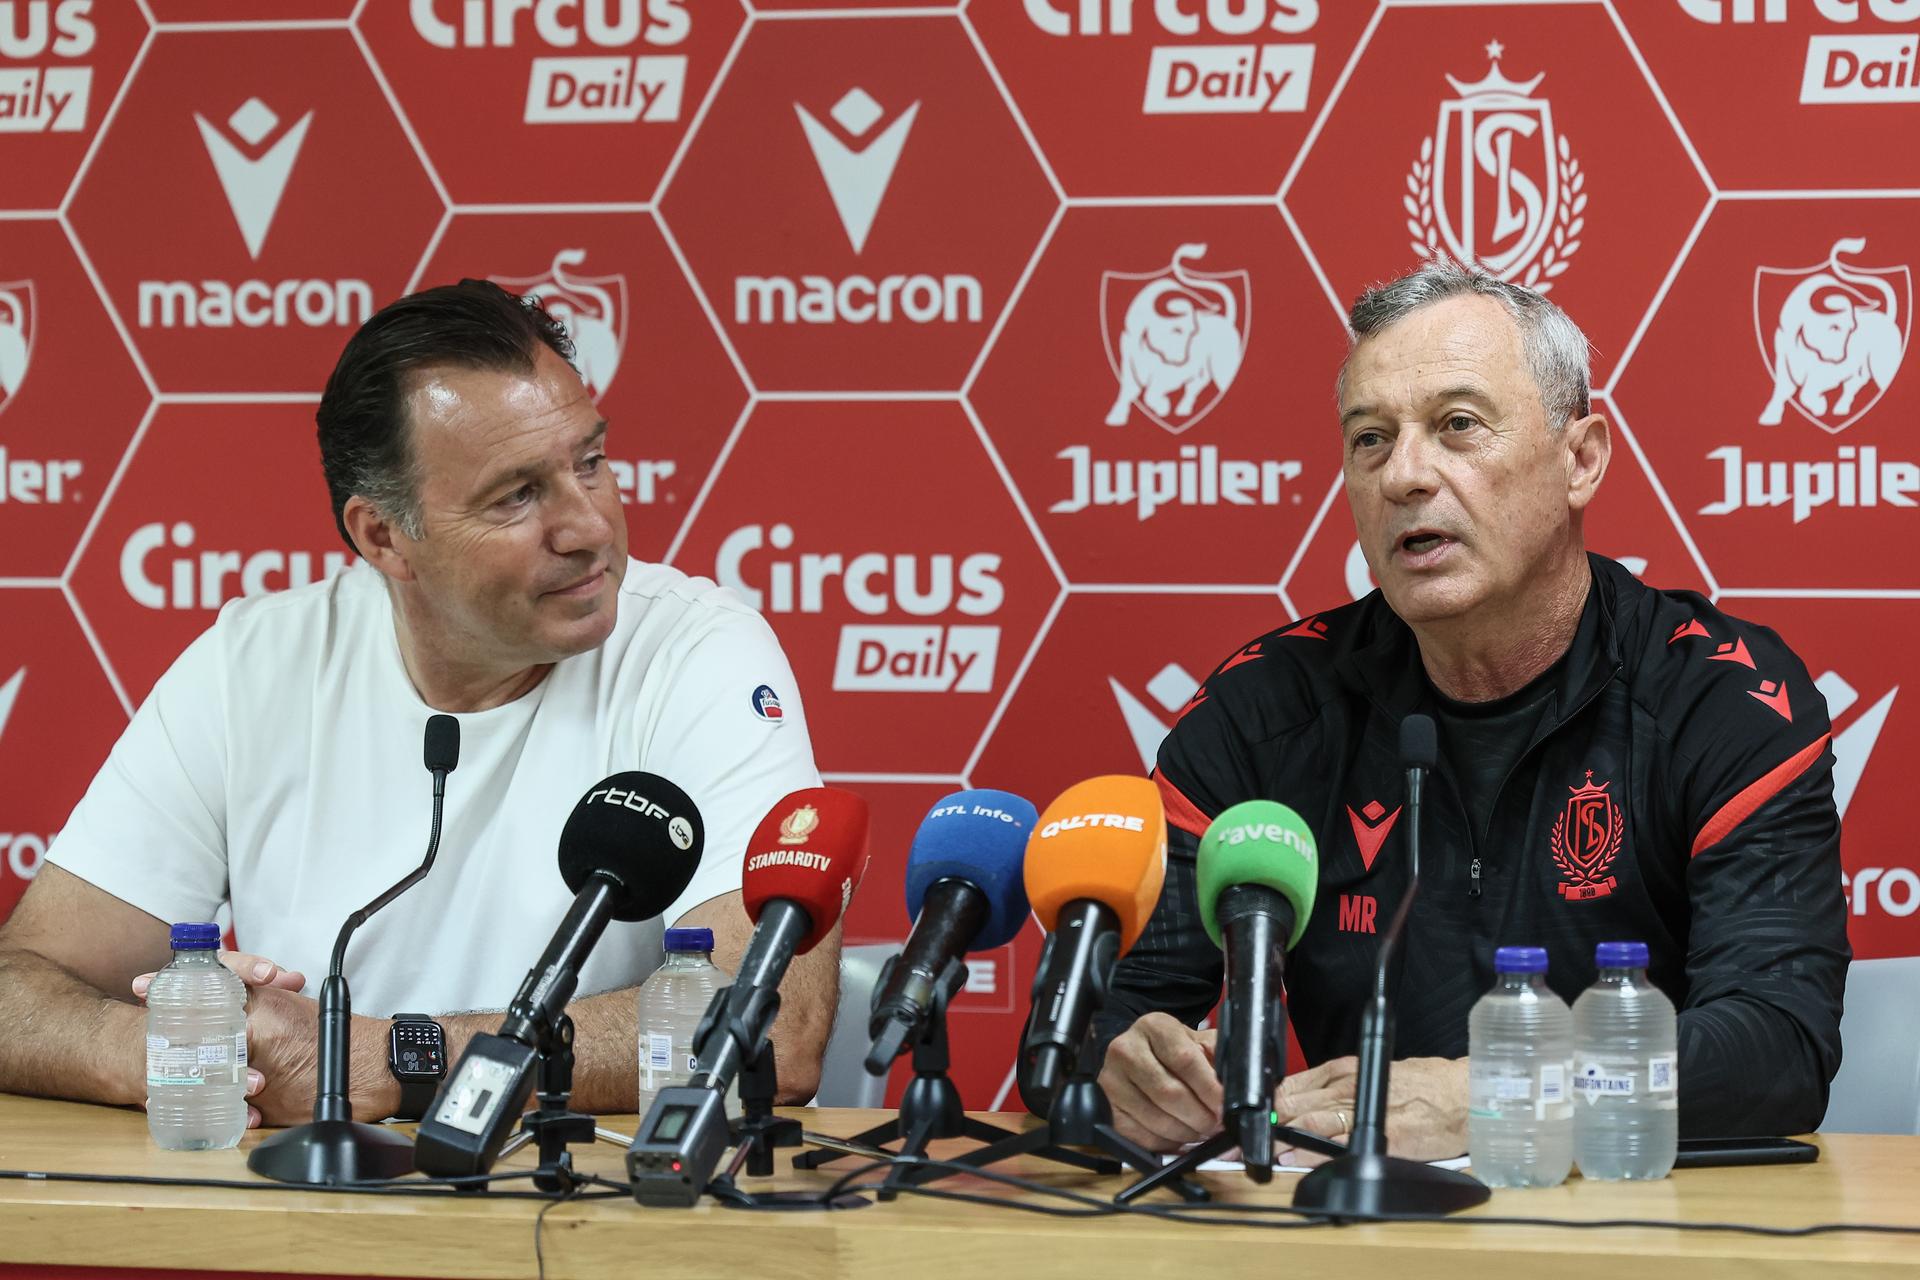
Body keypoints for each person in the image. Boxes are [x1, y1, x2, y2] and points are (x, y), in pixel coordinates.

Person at [0, 281, 838, 1126]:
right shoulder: (251, 665)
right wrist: (179, 1046)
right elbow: (19, 989)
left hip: (585, 1224)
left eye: (589, 462)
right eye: (517, 495)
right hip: (306, 1224)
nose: (590, 526)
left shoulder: (699, 652)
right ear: (383, 537)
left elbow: (771, 1023)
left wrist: (394, 1058)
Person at [1095, 261, 1849, 1159]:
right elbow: (1093, 1020)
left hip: (1635, 1222)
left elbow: (1777, 1050)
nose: (1405, 476)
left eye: (1457, 426)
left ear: (1580, 459)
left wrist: (1510, 1091)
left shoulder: (1720, 695)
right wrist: (1124, 1067)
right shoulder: (1265, 711)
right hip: (1355, 1227)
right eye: (1370, 439)